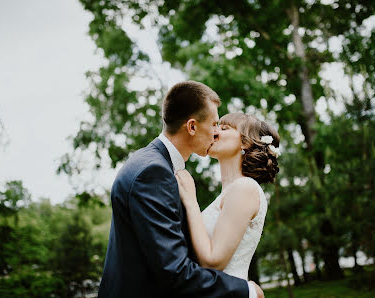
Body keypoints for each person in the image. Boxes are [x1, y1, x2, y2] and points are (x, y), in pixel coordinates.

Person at [98, 81, 264, 297]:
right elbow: (174, 271)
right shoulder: (153, 173)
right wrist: (247, 291)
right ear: (192, 127)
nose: (216, 133)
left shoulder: (153, 165)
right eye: (215, 124)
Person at [176, 113, 280, 280]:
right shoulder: (229, 193)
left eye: (224, 128)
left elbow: (213, 263)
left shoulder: (245, 188)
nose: (214, 131)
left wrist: (190, 202)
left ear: (246, 142)